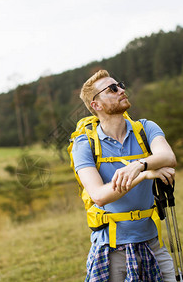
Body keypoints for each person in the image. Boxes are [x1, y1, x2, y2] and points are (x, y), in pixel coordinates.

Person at [72, 69, 177, 281]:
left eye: (119, 84)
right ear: (96, 105)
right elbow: (99, 195)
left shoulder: (145, 128)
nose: (121, 90)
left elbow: (168, 156)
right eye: (112, 89)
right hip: (112, 251)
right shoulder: (84, 144)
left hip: (153, 244)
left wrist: (138, 165)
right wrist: (145, 175)